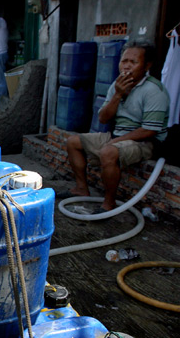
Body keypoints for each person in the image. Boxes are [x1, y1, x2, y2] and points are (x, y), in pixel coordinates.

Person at [62, 40, 170, 212]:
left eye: (133, 62)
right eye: (124, 61)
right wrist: (118, 94)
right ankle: (82, 188)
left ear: (146, 65)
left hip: (146, 142)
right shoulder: (117, 85)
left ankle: (109, 202)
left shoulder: (154, 90)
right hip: (119, 135)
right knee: (73, 141)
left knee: (108, 151)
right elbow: (103, 118)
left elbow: (149, 130)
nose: (127, 67)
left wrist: (114, 142)